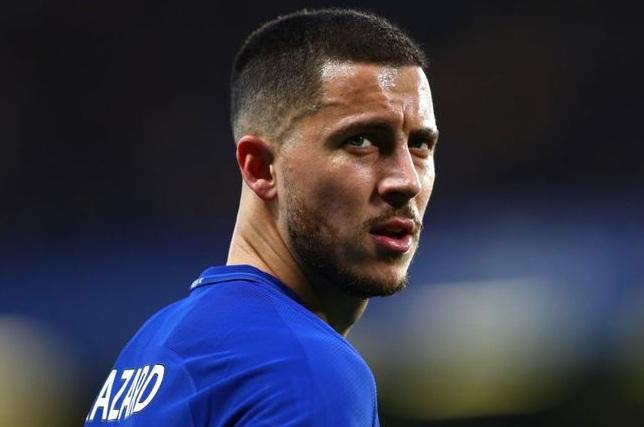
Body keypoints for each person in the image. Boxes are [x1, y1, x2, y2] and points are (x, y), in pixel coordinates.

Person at [85, 8, 438, 426]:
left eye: (420, 144)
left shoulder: (150, 350)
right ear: (260, 168)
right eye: (361, 141)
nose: (406, 180)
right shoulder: (305, 369)